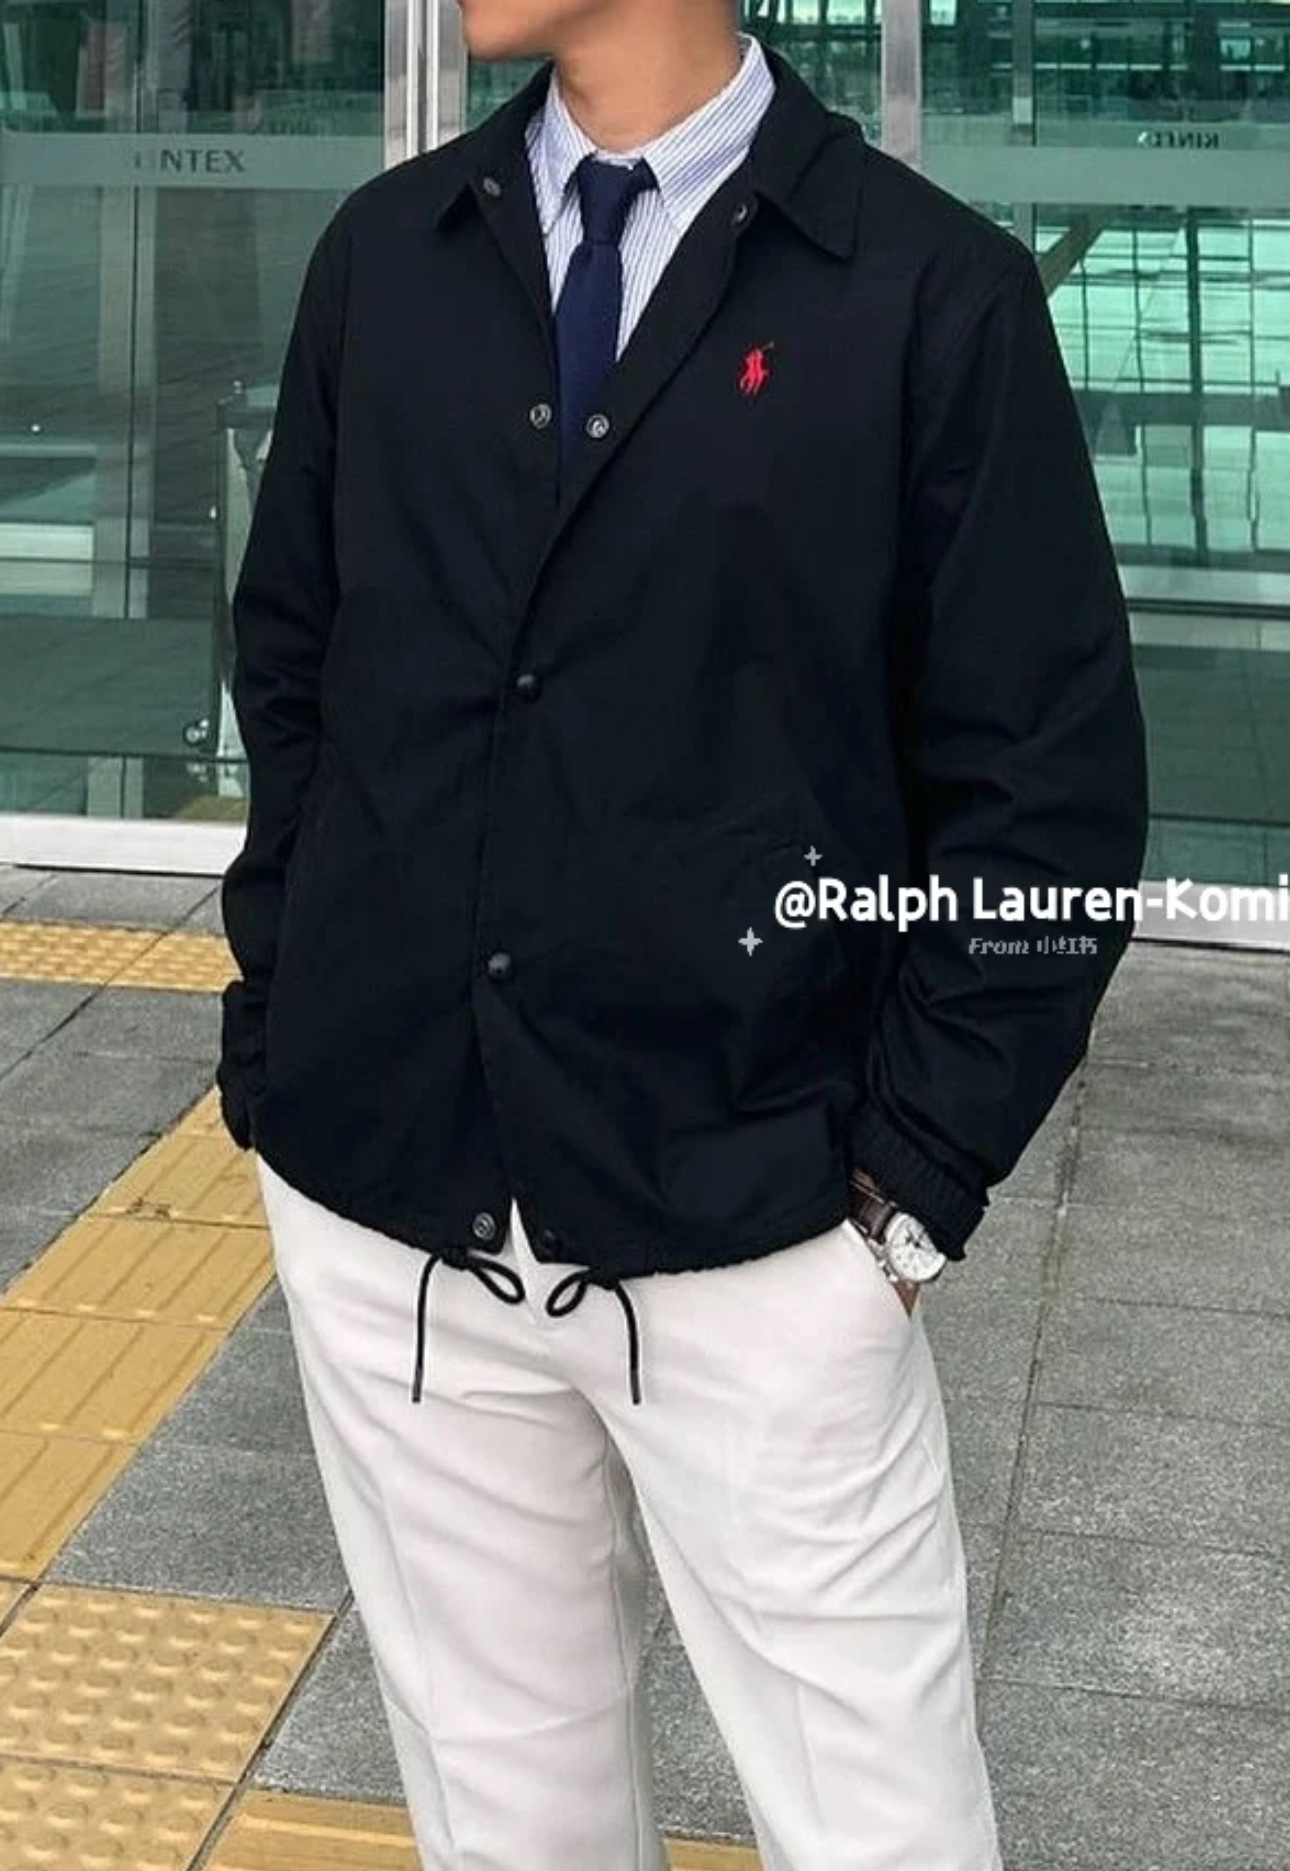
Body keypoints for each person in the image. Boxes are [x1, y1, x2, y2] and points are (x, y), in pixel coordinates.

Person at [218, 1, 1149, 1866]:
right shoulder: (389, 257)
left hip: (759, 1233)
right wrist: (282, 1019)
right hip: (390, 1204)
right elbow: (299, 669)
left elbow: (1040, 803)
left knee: (880, 1828)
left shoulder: (924, 293)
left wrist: (901, 1200)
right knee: (507, 1817)